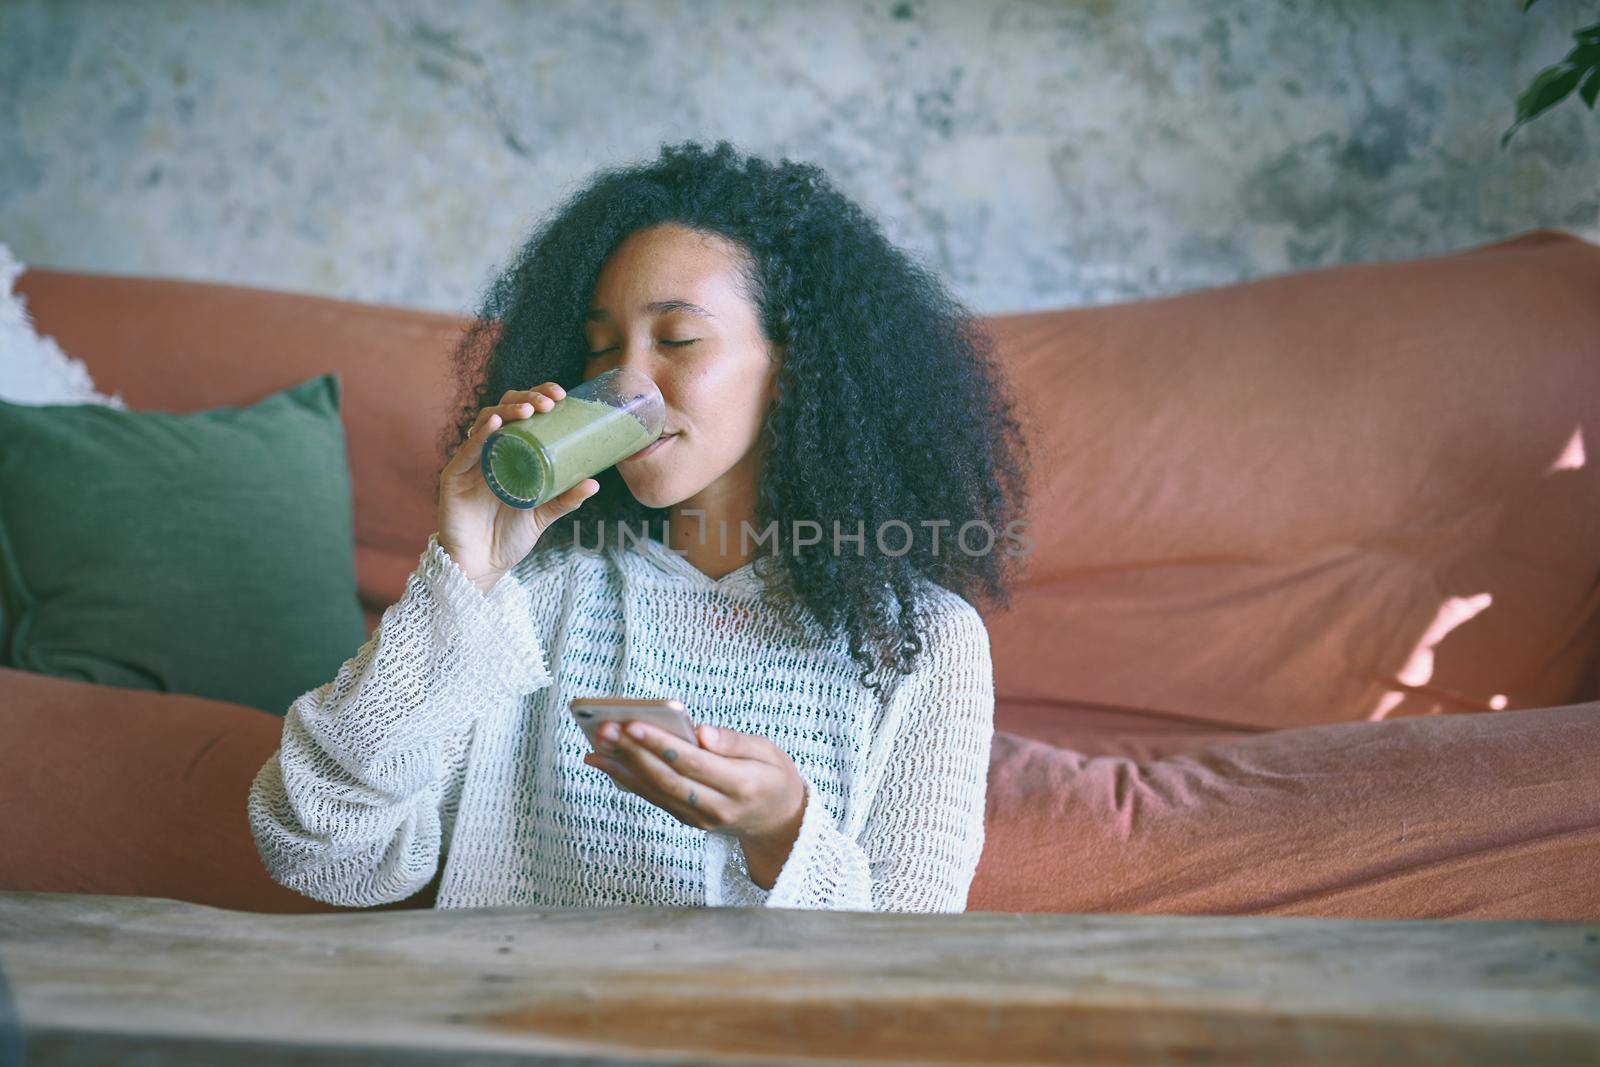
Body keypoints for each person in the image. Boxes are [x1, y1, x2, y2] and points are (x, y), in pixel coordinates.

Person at [247, 139, 1031, 911]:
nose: (626, 381)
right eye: (600, 347)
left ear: (797, 364)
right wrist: (464, 572)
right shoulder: (531, 596)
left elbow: (905, 968)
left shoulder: (923, 640)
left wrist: (781, 833)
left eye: (679, 340)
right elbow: (320, 853)